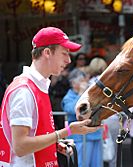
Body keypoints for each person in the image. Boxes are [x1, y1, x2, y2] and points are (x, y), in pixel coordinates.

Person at [0, 27, 101, 167]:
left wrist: (55, 143)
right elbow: (20, 146)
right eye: (64, 53)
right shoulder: (24, 90)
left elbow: (32, 136)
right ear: (47, 52)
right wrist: (67, 132)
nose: (68, 60)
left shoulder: (36, 85)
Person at [61, 69, 89, 167]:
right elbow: (72, 109)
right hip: (78, 138)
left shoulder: (89, 94)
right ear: (73, 83)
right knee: (80, 164)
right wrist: (81, 94)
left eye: (85, 80)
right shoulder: (68, 97)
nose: (85, 83)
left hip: (93, 136)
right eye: (82, 81)